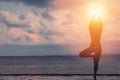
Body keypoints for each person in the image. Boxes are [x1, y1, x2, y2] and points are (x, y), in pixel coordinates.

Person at [79, 15, 103, 80]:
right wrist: (96, 16)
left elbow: (98, 25)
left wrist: (94, 16)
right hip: (95, 47)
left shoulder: (95, 32)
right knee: (81, 54)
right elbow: (96, 25)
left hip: (96, 47)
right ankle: (92, 57)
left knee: (96, 62)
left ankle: (94, 75)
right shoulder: (94, 32)